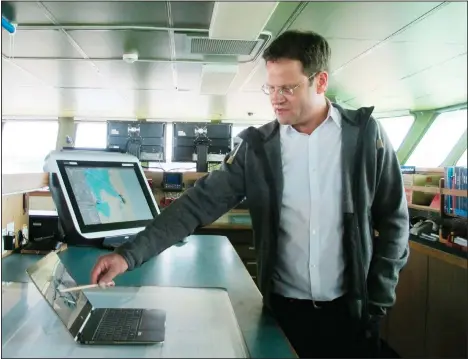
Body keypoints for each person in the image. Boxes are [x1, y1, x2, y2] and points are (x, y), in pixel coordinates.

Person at [90, 30, 410, 358]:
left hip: (352, 313)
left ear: (321, 81)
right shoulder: (257, 148)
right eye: (270, 88)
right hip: (285, 314)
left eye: (288, 87)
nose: (276, 98)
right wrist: (127, 255)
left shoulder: (366, 135)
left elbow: (395, 220)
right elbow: (197, 205)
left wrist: (379, 298)